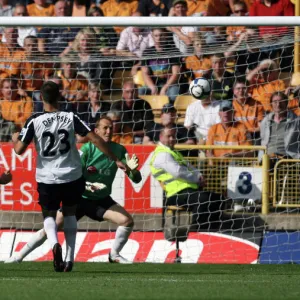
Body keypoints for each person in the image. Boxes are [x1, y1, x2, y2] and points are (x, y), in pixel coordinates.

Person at [11, 81, 126, 272]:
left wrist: (16, 139)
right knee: (70, 213)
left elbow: (19, 150)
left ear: (41, 98)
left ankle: (54, 244)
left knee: (49, 216)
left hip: (47, 177)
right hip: (72, 175)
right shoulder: (70, 117)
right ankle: (70, 258)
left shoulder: (34, 119)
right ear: (60, 97)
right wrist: (115, 159)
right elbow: (94, 138)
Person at [6, 116, 141, 265]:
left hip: (100, 200)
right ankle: (18, 256)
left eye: (111, 127)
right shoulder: (88, 149)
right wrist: (89, 185)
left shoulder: (119, 150)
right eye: (105, 128)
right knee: (50, 228)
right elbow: (75, 174)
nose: (108, 131)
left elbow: (136, 179)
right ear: (96, 131)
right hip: (79, 198)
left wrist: (133, 171)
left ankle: (114, 255)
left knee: (127, 221)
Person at [150, 126, 224, 228]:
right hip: (174, 194)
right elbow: (178, 172)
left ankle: (212, 230)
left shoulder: (173, 152)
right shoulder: (162, 154)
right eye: (168, 136)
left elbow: (189, 166)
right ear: (161, 137)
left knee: (219, 199)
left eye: (173, 136)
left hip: (187, 191)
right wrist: (197, 179)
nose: (172, 139)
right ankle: (195, 231)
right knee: (203, 199)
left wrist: (199, 175)